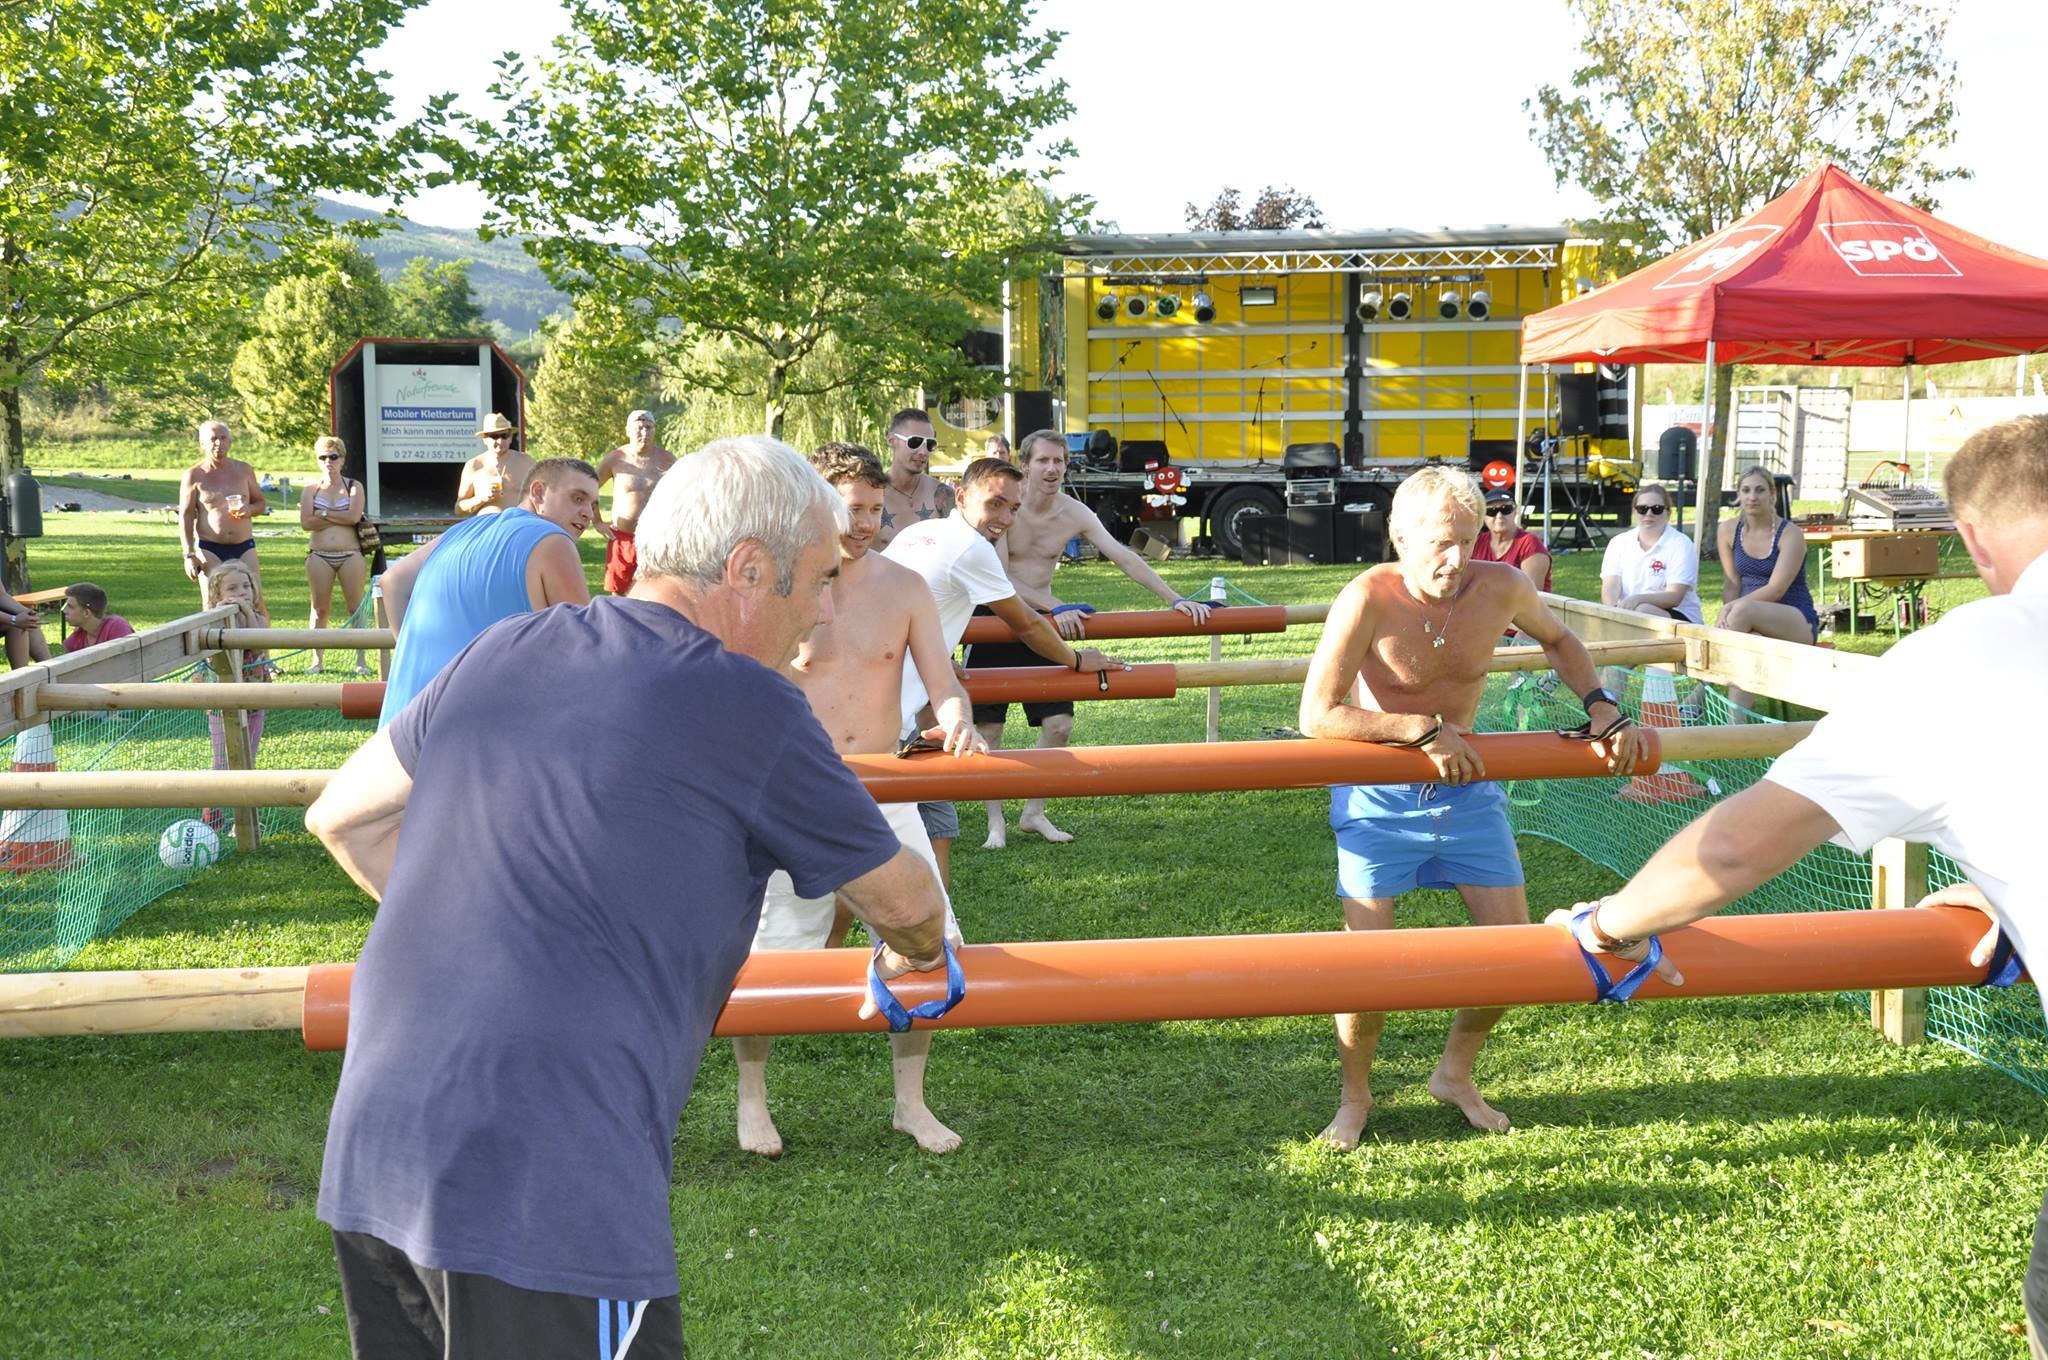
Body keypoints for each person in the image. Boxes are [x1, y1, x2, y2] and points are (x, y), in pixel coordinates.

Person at [306, 435, 952, 1360]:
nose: (820, 620)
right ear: (747, 568)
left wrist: (496, 934)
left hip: (377, 1150)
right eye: (816, 583)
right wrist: (920, 956)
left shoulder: (506, 649)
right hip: (545, 1181)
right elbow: (904, 904)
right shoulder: (750, 705)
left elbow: (344, 818)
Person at [1549, 414, 2048, 1351]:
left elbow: (1740, 848)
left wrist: (1605, 926)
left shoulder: (1970, 651)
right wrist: (2009, 889)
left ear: (1971, 540)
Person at [1298, 466, 1650, 1145]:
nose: (1456, 559)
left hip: (1468, 793)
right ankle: (1355, 1097)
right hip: (1378, 798)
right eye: (1439, 543)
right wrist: (1419, 729)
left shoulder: (1504, 587)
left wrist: (1601, 706)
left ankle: (1453, 1074)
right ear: (1399, 537)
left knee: (1514, 958)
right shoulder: (1367, 595)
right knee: (1366, 972)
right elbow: (1316, 713)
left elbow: (1559, 640)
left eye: (1468, 540)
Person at [734, 442, 988, 1159]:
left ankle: (911, 1103)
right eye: (852, 507)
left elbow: (943, 682)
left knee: (934, 942)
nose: (866, 521)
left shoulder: (905, 587)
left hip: (886, 787)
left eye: (877, 508)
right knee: (774, 955)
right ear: (815, 504)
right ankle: (752, 1101)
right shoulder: (780, 589)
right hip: (795, 793)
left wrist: (957, 715)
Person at [884, 457, 1126, 880]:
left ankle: (930, 928)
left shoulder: (917, 533)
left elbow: (888, 608)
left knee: (927, 828)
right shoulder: (972, 548)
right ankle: (934, 933)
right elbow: (1027, 623)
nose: (1004, 518)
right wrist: (1076, 659)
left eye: (1013, 508)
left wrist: (937, 654)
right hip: (894, 716)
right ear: (960, 497)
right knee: (910, 845)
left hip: (883, 705)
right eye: (995, 504)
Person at [971, 428, 1211, 847]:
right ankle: (996, 823)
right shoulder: (1007, 507)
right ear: (1024, 465)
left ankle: (1033, 812)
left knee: (1059, 724)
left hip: (1043, 625)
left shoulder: (1074, 512)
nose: (1052, 469)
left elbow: (1122, 555)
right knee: (989, 730)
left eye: (1059, 461)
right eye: (1043, 461)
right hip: (996, 619)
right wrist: (1058, 605)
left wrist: (1175, 599)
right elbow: (1000, 580)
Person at [377, 457, 596, 726]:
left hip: (399, 727)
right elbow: (586, 652)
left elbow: (392, 581)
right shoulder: (554, 541)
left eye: (593, 504)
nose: (589, 513)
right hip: (471, 738)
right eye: (577, 498)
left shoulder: (460, 531)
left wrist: (414, 655)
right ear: (538, 492)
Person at [1712, 465, 1820, 714]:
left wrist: (1731, 609)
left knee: (1742, 611)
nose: (1752, 497)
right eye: (1746, 490)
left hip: (1794, 618)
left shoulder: (1790, 534)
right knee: (1751, 645)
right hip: (1745, 620)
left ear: (1772, 494)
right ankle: (1733, 735)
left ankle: (1703, 687)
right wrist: (1727, 612)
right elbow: (1732, 583)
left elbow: (1776, 589)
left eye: (1760, 490)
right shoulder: (1728, 530)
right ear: (1738, 495)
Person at [200, 559, 271, 834]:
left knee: (247, 758)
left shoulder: (260, 619)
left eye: (246, 586)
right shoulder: (214, 620)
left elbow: (255, 640)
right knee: (223, 760)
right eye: (232, 588)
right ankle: (212, 814)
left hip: (254, 699)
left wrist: (247, 613)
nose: (241, 592)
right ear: (217, 595)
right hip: (222, 702)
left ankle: (243, 821)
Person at [300, 435, 370, 675]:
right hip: (319, 555)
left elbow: (352, 517)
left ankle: (361, 660)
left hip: (350, 554)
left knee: (355, 607)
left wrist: (322, 514)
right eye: (323, 457)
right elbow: (306, 523)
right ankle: (317, 660)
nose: (328, 461)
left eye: (333, 456)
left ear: (342, 459)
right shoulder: (311, 489)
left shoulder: (353, 486)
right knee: (319, 608)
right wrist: (328, 516)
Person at [178, 420, 268, 600]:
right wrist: (189, 554)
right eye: (213, 439)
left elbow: (260, 503)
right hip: (210, 547)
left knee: (255, 599)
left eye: (223, 438)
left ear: (230, 441)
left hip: (244, 546)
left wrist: (249, 510)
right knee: (213, 602)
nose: (218, 443)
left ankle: (257, 628)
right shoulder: (194, 475)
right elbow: (186, 516)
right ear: (202, 444)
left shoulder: (243, 470)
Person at [594, 409, 677, 594]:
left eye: (649, 427)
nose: (644, 433)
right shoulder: (616, 458)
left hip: (657, 540)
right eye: (639, 428)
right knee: (619, 595)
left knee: (657, 592)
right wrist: (598, 521)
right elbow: (590, 488)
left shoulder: (668, 460)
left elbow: (683, 494)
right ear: (628, 431)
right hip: (623, 539)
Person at [1599, 482, 1702, 623]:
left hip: (1679, 618)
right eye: (1642, 509)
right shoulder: (1618, 542)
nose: (1649, 514)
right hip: (1629, 613)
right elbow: (1610, 585)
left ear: (1668, 513)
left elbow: (1674, 597)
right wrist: (1612, 610)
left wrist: (1637, 600)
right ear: (1634, 511)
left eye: (1657, 509)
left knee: (1643, 610)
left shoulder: (1681, 544)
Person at [875, 407, 954, 550]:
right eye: (915, 442)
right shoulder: (872, 492)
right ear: (891, 440)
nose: (923, 452)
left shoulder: (943, 494)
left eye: (930, 444)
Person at [454, 412, 536, 516]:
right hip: (487, 526)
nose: (500, 440)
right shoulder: (474, 465)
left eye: (504, 435)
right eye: (494, 436)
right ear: (485, 439)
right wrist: (481, 498)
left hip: (518, 525)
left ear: (510, 438)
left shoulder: (526, 462)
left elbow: (543, 497)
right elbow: (459, 509)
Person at [1472, 490, 1552, 592]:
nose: (1499, 515)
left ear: (1515, 511)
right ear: (1483, 516)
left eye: (1506, 509)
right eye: (1491, 511)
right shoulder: (1477, 543)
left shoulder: (1530, 543)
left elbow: (1530, 594)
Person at [59, 584, 135, 653]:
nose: (65, 611)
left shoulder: (116, 627)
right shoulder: (76, 638)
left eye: (70, 607)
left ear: (86, 613)